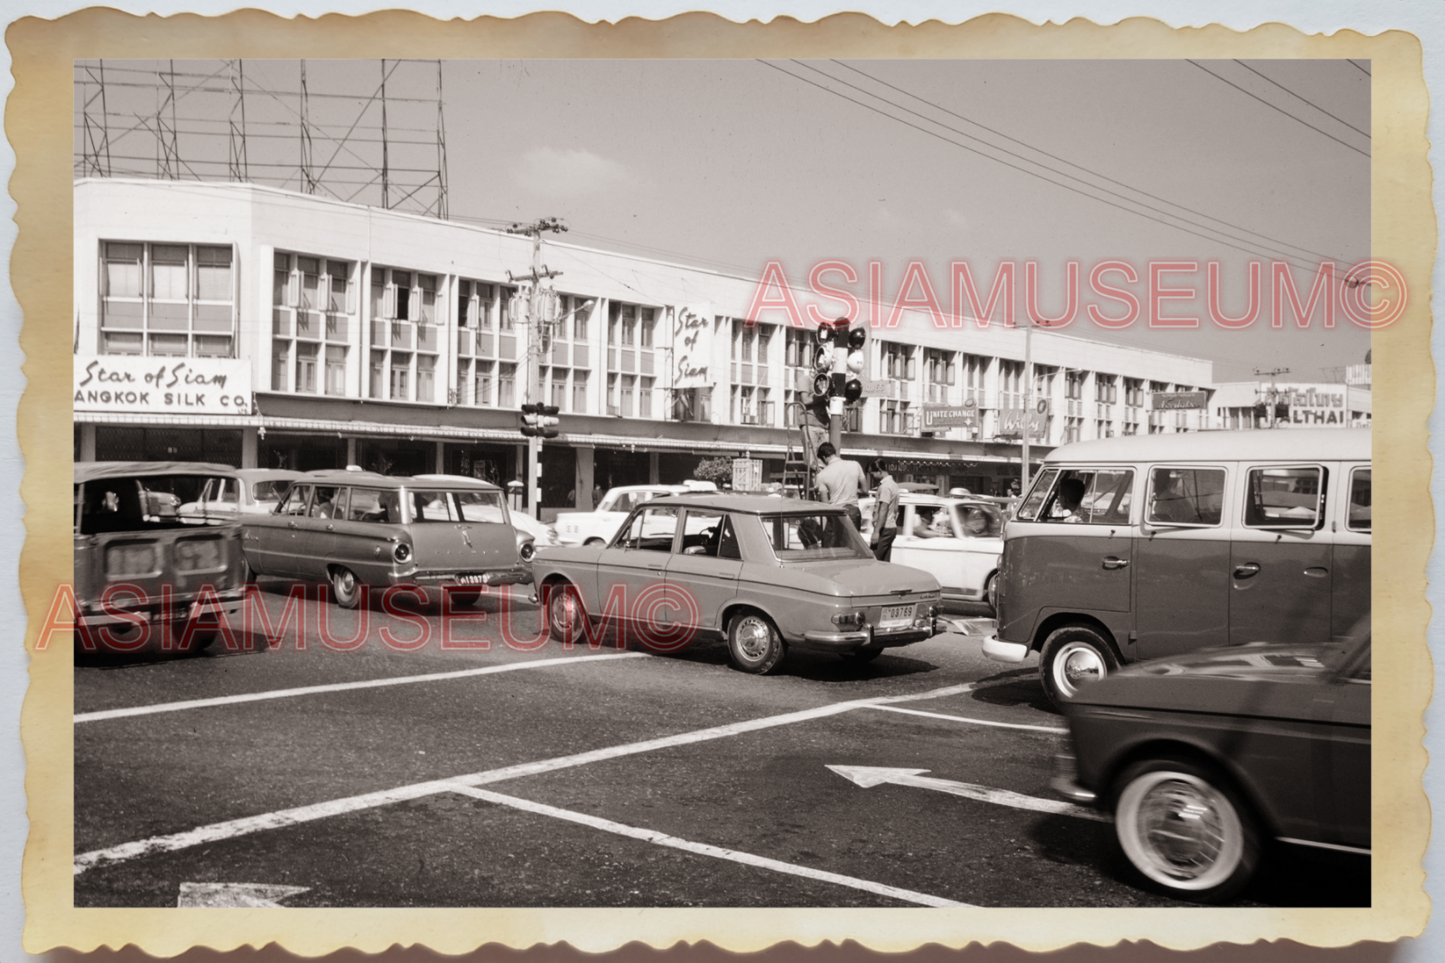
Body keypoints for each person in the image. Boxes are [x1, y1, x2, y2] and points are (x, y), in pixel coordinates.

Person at [813, 442, 868, 545]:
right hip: (853, 512)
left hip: (836, 513)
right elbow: (865, 490)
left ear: (824, 458)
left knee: (830, 548)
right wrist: (850, 489)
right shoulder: (855, 464)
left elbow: (826, 504)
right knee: (852, 546)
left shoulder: (822, 475)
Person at [867, 458, 900, 561]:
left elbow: (883, 509)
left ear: (879, 471)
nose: (873, 477)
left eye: (873, 474)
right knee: (884, 563)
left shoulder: (885, 486)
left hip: (884, 528)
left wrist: (876, 531)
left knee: (873, 560)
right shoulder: (893, 484)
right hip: (891, 527)